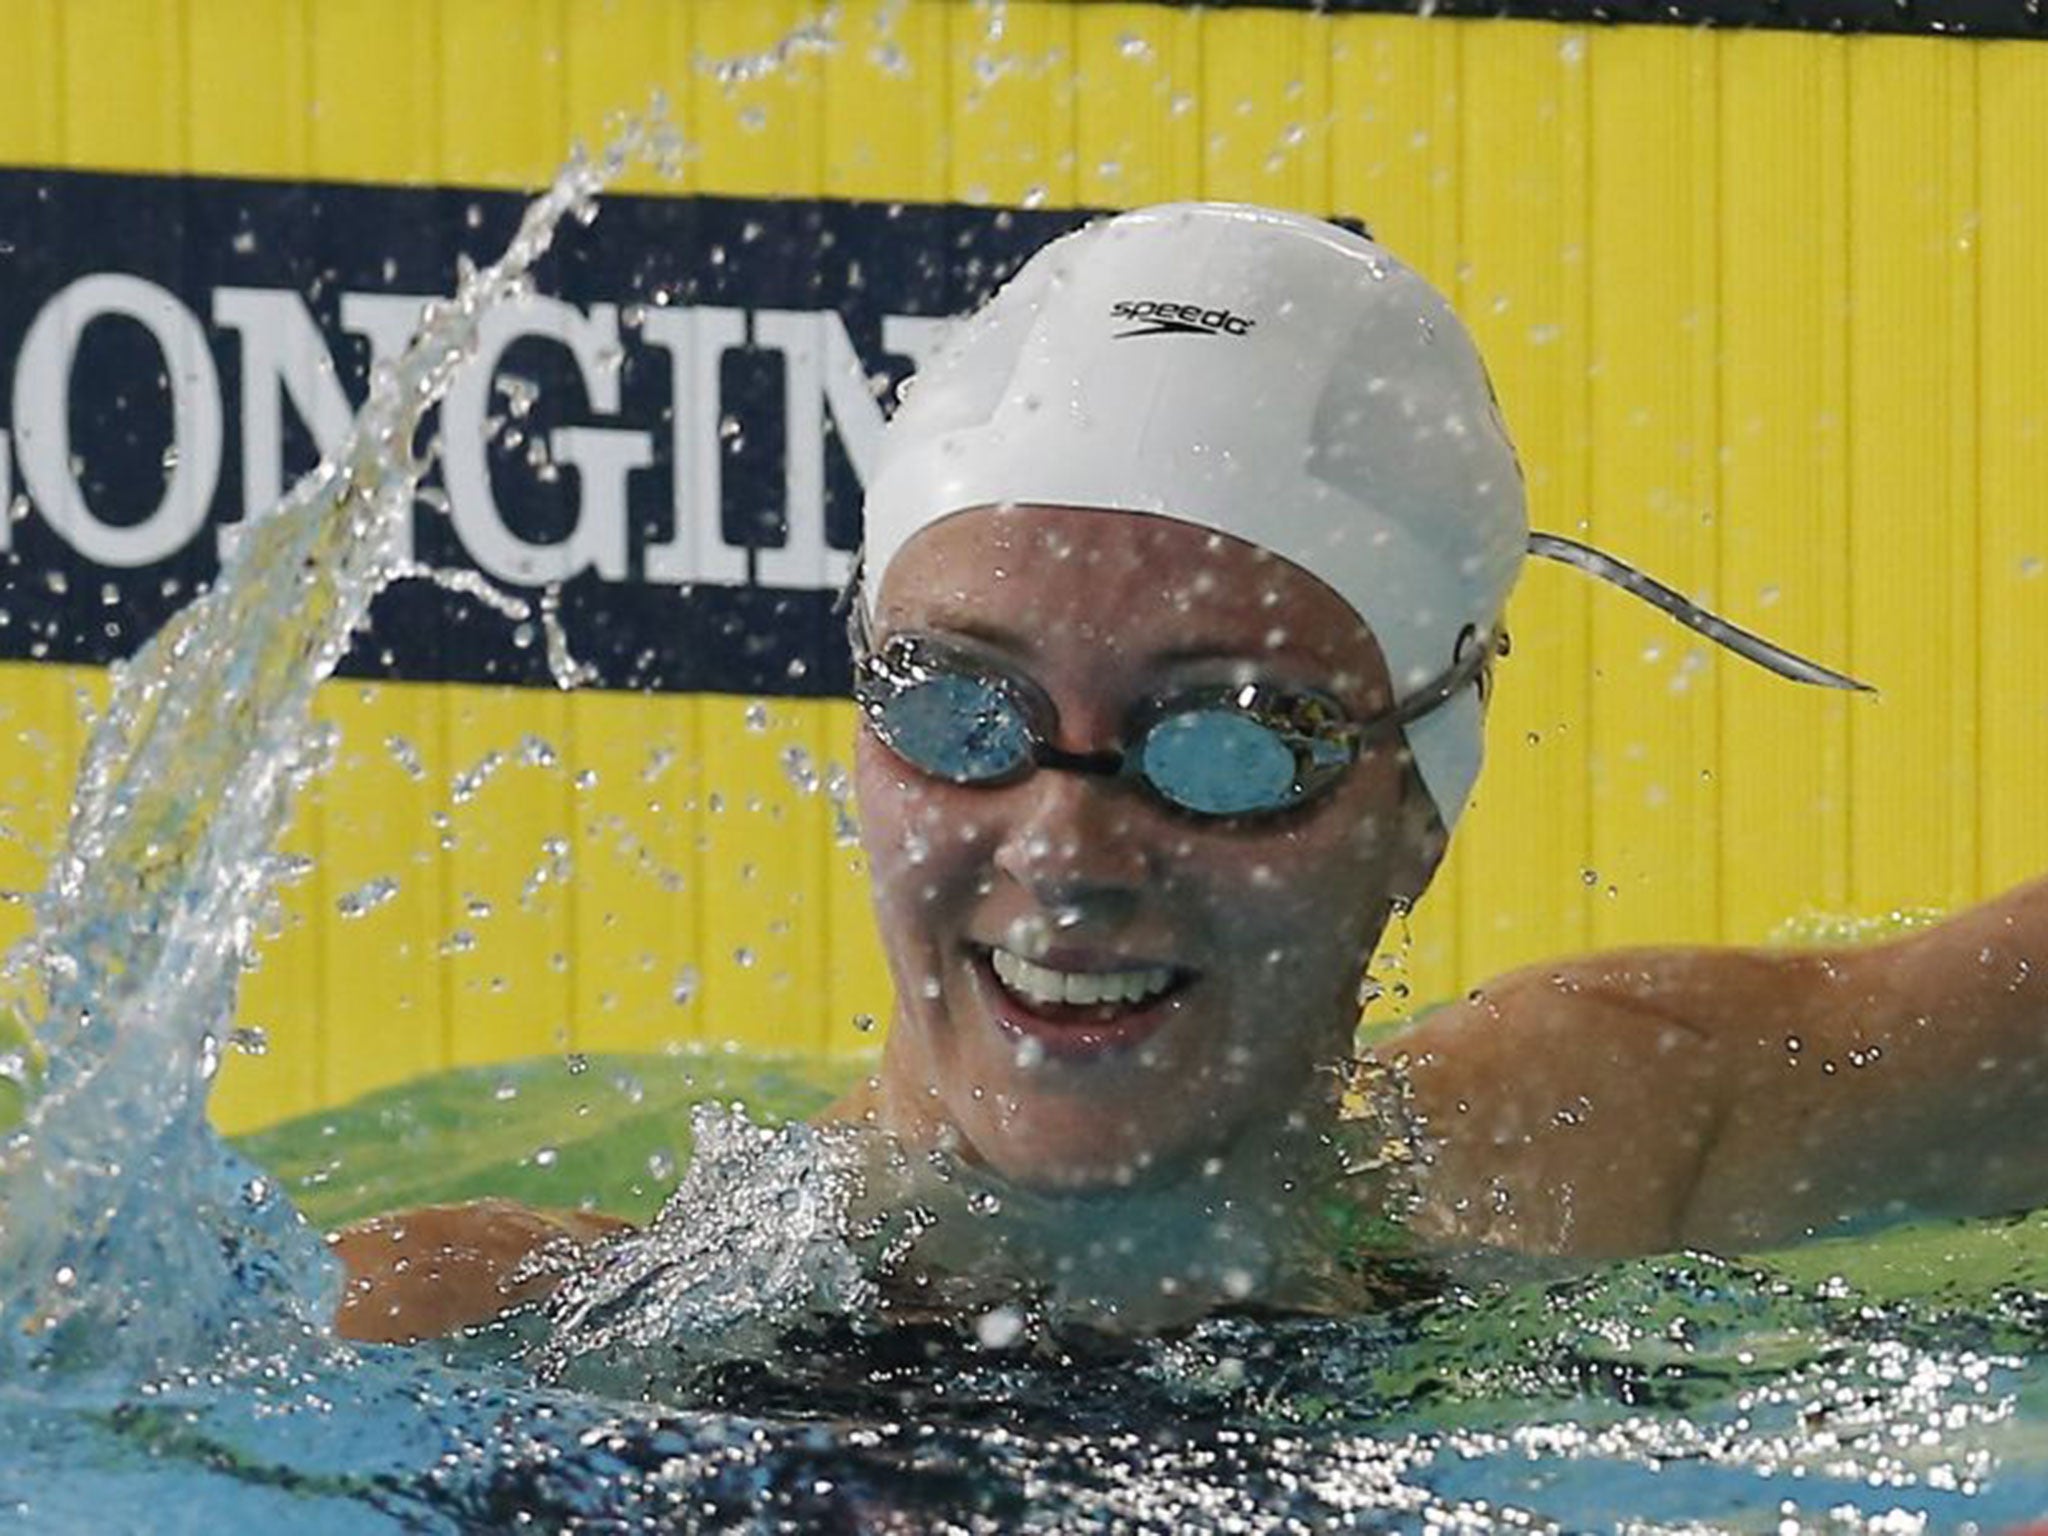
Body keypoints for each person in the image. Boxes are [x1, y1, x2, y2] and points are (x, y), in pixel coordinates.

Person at [331, 202, 2048, 1343]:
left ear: (1415, 811)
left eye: (1224, 740)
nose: (1066, 840)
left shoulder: (1594, 1147)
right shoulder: (513, 1334)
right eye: (962, 712)